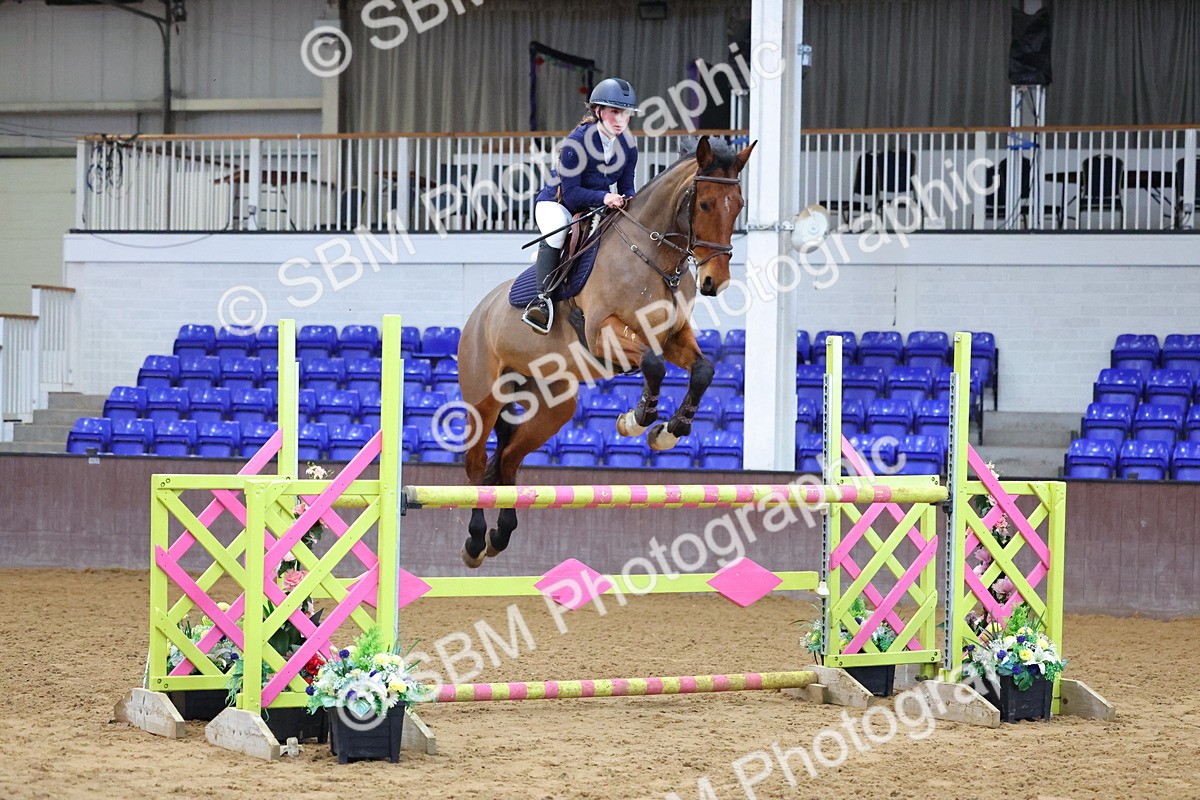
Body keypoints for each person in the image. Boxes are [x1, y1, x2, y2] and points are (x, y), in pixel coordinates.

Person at [523, 77, 640, 334]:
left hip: (595, 205)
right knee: (560, 227)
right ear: (598, 111)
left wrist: (630, 199)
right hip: (558, 203)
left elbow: (627, 186)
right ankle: (541, 301)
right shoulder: (576, 142)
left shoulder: (628, 145)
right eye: (615, 112)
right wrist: (604, 198)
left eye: (627, 114)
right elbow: (573, 193)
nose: (621, 120)